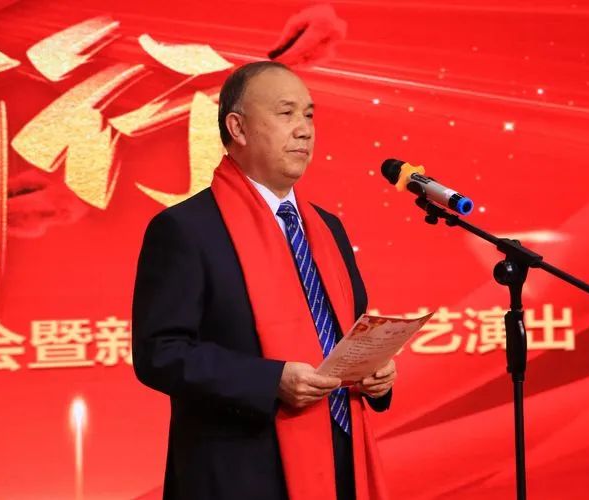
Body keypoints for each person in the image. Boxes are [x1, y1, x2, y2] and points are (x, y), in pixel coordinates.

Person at [132, 61, 397, 500]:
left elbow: (349, 333)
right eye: (286, 113)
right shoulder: (187, 229)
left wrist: (375, 372)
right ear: (237, 127)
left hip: (339, 458)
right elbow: (159, 353)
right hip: (241, 471)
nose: (304, 130)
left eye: (309, 115)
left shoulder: (326, 228)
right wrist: (270, 380)